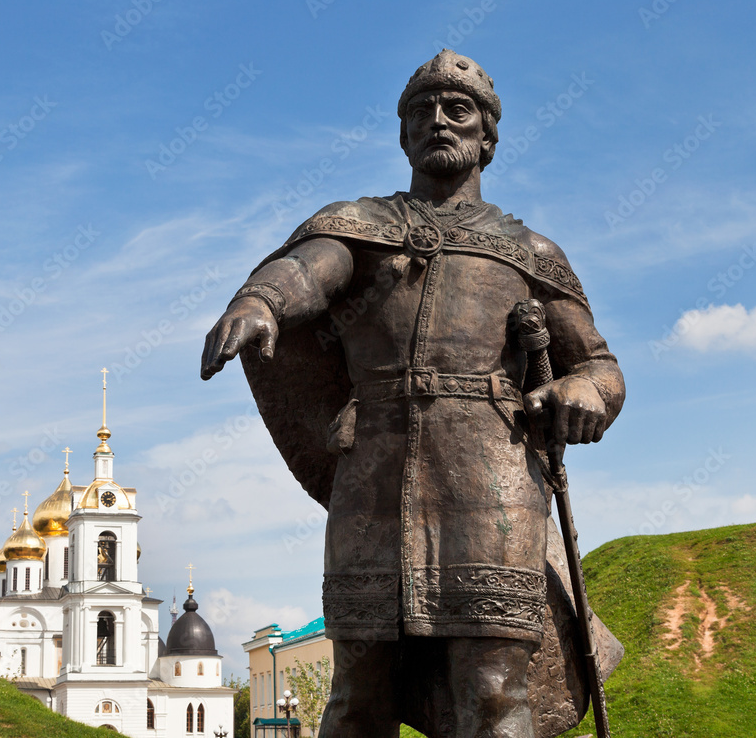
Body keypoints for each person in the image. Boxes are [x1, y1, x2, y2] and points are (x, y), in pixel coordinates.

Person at [201, 50, 625, 738]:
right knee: (358, 696)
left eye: (457, 109)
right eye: (420, 110)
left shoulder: (531, 253)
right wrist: (262, 301)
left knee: (493, 696)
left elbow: (603, 366)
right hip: (374, 480)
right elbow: (309, 270)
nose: (438, 120)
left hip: (492, 483)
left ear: (487, 136)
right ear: (401, 135)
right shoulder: (361, 226)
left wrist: (583, 392)